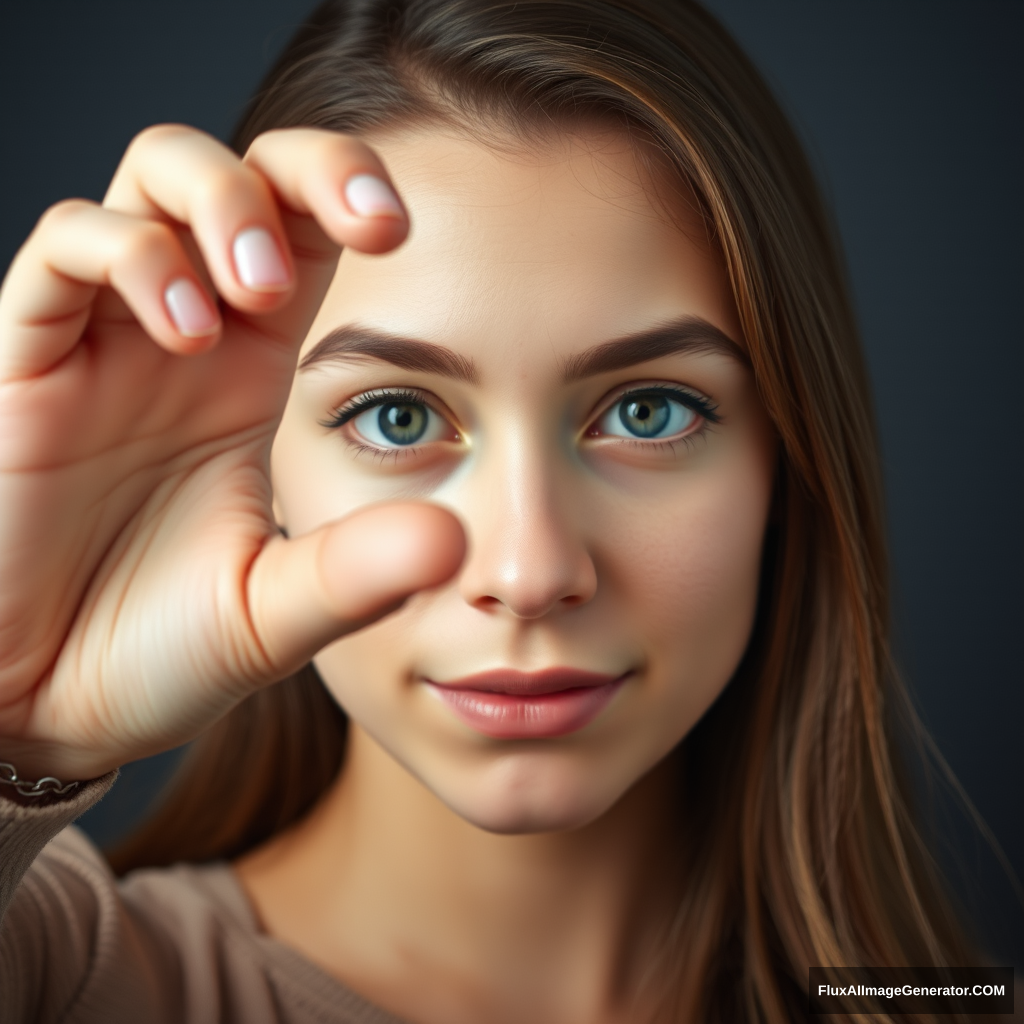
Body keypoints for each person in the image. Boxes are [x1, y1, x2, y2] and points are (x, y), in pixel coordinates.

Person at [0, 1, 1003, 1021]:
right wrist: (15, 727)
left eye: (647, 411)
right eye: (394, 417)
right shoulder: (59, 978)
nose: (527, 573)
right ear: (256, 462)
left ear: (787, 460)